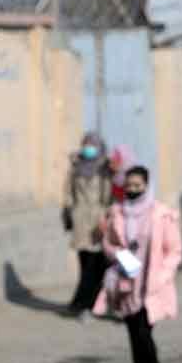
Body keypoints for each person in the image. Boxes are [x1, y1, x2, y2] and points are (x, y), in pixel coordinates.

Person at [94, 166, 182, 363]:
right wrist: (119, 255)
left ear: (146, 185)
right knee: (133, 336)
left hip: (152, 285)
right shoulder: (117, 213)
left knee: (143, 332)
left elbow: (174, 251)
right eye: (129, 186)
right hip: (126, 283)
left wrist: (162, 276)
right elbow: (108, 244)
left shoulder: (161, 214)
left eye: (137, 185)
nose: (132, 190)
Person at [62, 132, 112, 320]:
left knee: (97, 265)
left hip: (99, 222)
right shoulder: (76, 167)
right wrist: (68, 213)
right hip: (81, 221)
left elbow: (110, 197)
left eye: (92, 145)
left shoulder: (105, 168)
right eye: (85, 144)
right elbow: (68, 193)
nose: (88, 148)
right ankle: (83, 303)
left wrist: (108, 218)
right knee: (85, 264)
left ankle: (85, 303)